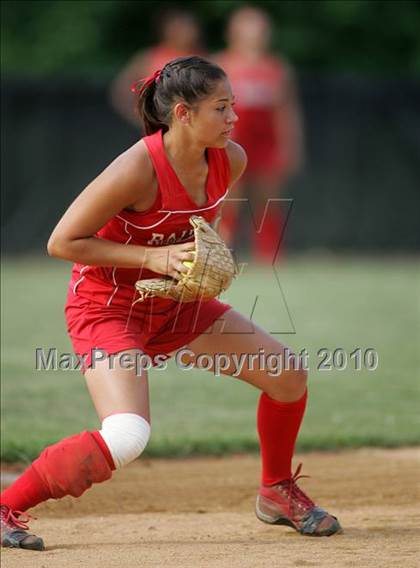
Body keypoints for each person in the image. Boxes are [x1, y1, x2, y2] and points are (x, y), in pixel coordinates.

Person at [0, 56, 341, 551]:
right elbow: (63, 242)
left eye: (233, 107)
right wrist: (154, 256)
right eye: (221, 108)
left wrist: (206, 259)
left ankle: (276, 491)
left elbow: (198, 225)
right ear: (182, 113)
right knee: (126, 436)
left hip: (174, 303)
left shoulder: (231, 159)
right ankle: (8, 504)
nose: (234, 118)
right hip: (108, 306)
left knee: (287, 375)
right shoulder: (136, 167)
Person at [214, 6, 304, 263]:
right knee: (228, 199)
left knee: (268, 200)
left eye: (261, 28)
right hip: (231, 141)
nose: (256, 34)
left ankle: (270, 256)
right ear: (233, 32)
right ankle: (222, 255)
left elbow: (286, 111)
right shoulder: (221, 64)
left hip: (266, 144)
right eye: (249, 27)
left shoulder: (276, 67)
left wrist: (291, 146)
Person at [110, 8, 204, 127]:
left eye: (189, 27)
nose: (187, 32)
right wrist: (143, 118)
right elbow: (121, 91)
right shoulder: (149, 58)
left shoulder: (203, 59)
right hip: (159, 130)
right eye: (180, 27)